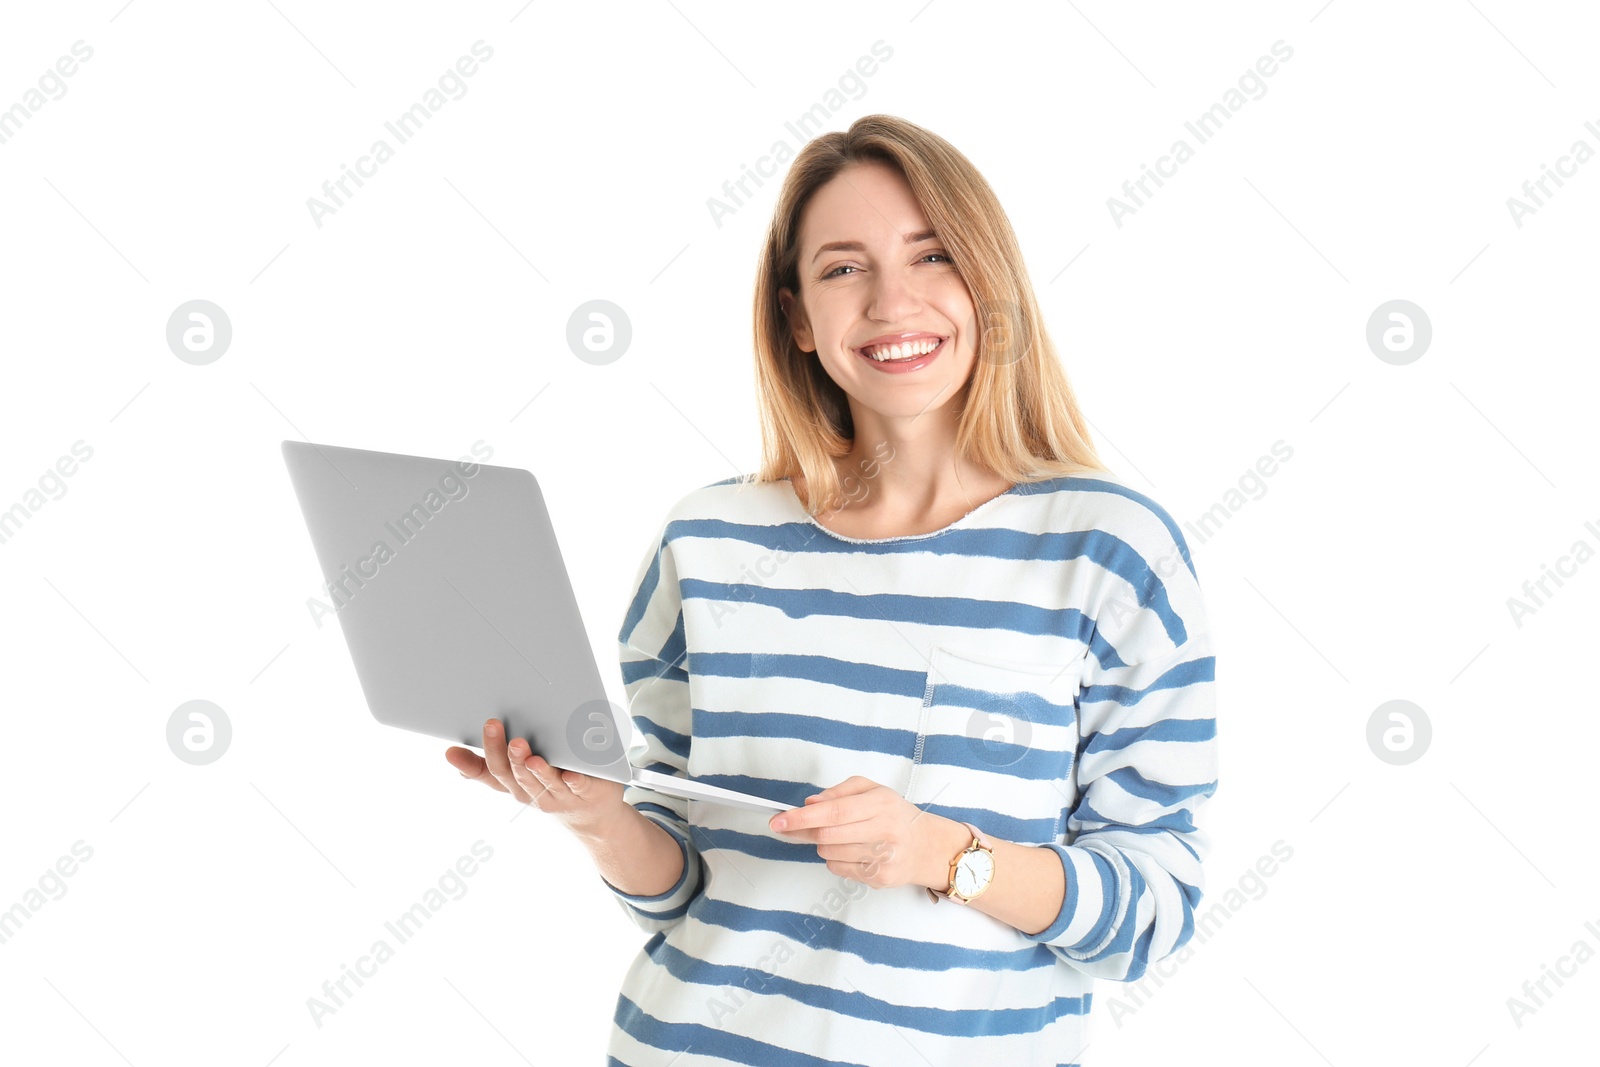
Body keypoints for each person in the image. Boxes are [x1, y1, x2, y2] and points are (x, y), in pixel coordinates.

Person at [446, 114, 1218, 1065]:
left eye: (932, 256)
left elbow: (1154, 912)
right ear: (799, 319)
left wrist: (943, 853)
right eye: (844, 268)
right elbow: (682, 887)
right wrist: (597, 816)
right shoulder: (710, 541)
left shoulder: (1108, 550)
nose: (894, 302)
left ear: (991, 285)